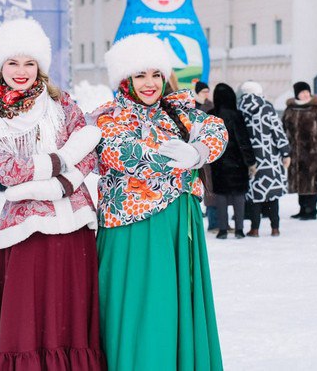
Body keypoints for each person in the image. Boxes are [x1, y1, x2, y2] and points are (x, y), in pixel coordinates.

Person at [0, 18, 104, 369]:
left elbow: (90, 150)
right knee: (27, 314)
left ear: (40, 67)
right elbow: (7, 172)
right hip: (26, 230)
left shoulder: (61, 104)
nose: (21, 71)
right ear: (0, 67)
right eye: (13, 63)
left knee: (71, 310)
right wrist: (63, 160)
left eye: (29, 63)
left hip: (76, 224)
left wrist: (58, 183)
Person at [93, 33, 227, 370]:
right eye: (140, 75)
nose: (150, 83)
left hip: (177, 226)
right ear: (125, 79)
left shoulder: (180, 112)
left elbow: (217, 130)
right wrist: (177, 160)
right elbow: (123, 154)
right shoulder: (109, 117)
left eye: (156, 74)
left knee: (170, 305)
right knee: (137, 307)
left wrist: (196, 152)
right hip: (131, 230)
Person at [238, 81, 291, 237]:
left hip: (250, 159)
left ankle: (255, 228)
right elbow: (277, 131)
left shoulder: (239, 109)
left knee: (255, 194)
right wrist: (285, 152)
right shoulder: (266, 107)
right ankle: (275, 228)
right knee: (272, 194)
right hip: (270, 157)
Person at [209, 83, 255, 239]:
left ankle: (222, 229)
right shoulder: (237, 115)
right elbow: (244, 141)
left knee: (220, 196)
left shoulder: (211, 115)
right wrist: (250, 162)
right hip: (237, 163)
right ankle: (239, 230)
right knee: (238, 196)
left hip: (218, 163)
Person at [282, 81, 317, 220]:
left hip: (312, 152)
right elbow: (283, 128)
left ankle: (311, 210)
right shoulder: (290, 109)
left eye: (307, 92)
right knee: (299, 181)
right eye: (302, 92)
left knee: (312, 181)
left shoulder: (316, 108)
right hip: (294, 152)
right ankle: (302, 208)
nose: (305, 94)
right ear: (297, 94)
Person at [194, 80, 218, 232]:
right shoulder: (190, 106)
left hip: (206, 150)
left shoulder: (211, 106)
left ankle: (213, 220)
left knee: (210, 187)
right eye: (203, 91)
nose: (206, 94)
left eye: (207, 91)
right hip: (190, 151)